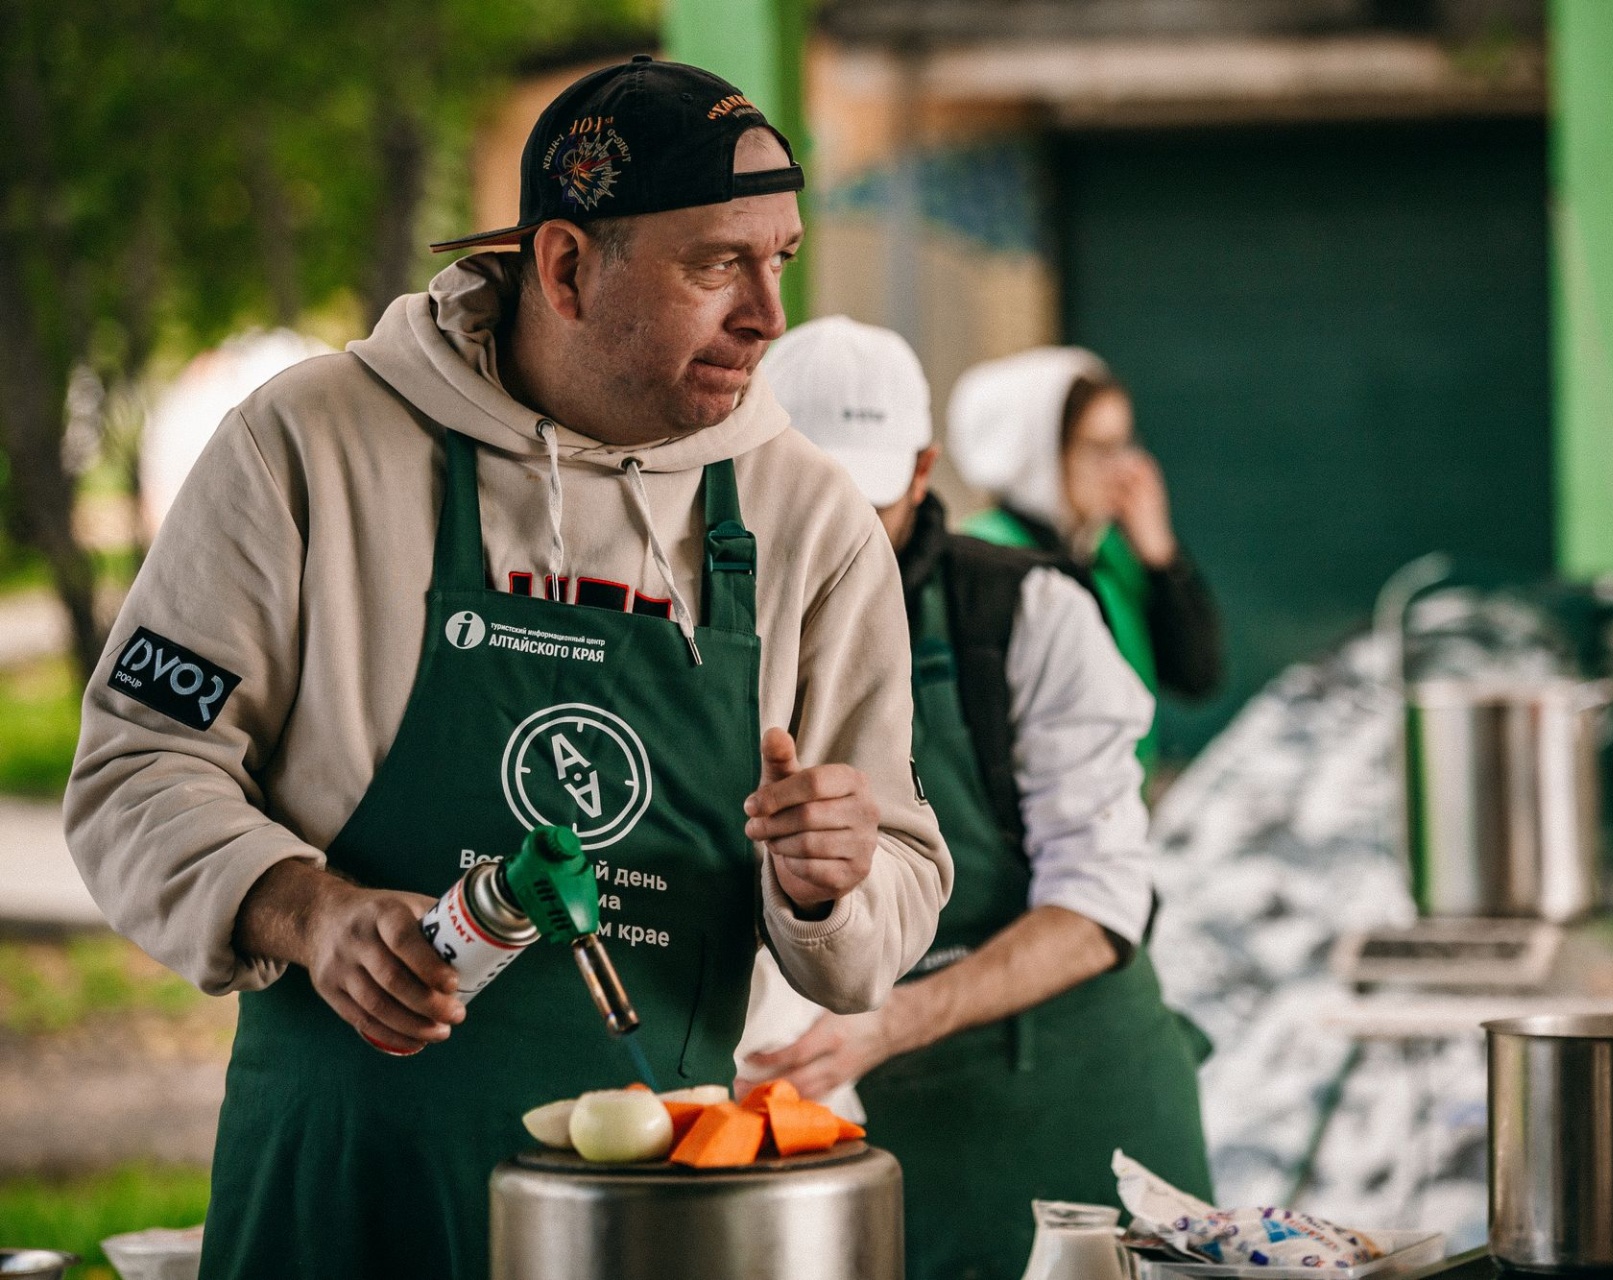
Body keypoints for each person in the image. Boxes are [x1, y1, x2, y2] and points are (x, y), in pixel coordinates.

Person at [63, 60, 950, 1280]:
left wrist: (829, 884)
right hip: (339, 1190)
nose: (768, 318)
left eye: (779, 259)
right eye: (715, 264)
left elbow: (888, 887)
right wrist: (306, 912)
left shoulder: (812, 524)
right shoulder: (311, 445)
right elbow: (137, 765)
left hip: (652, 1217)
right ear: (567, 267)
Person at [752, 316, 1213, 1280]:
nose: (832, 534)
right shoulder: (709, 616)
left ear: (921, 474)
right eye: (807, 493)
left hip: (1067, 1099)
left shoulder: (1025, 614)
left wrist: (888, 1022)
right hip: (832, 1122)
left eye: (864, 501)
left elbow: (1098, 903)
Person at [947, 348, 1224, 763]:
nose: (1123, 468)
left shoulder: (1107, 554)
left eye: (1125, 443)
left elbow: (1196, 674)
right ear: (1042, 455)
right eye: (1100, 449)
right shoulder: (985, 556)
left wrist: (1162, 558)